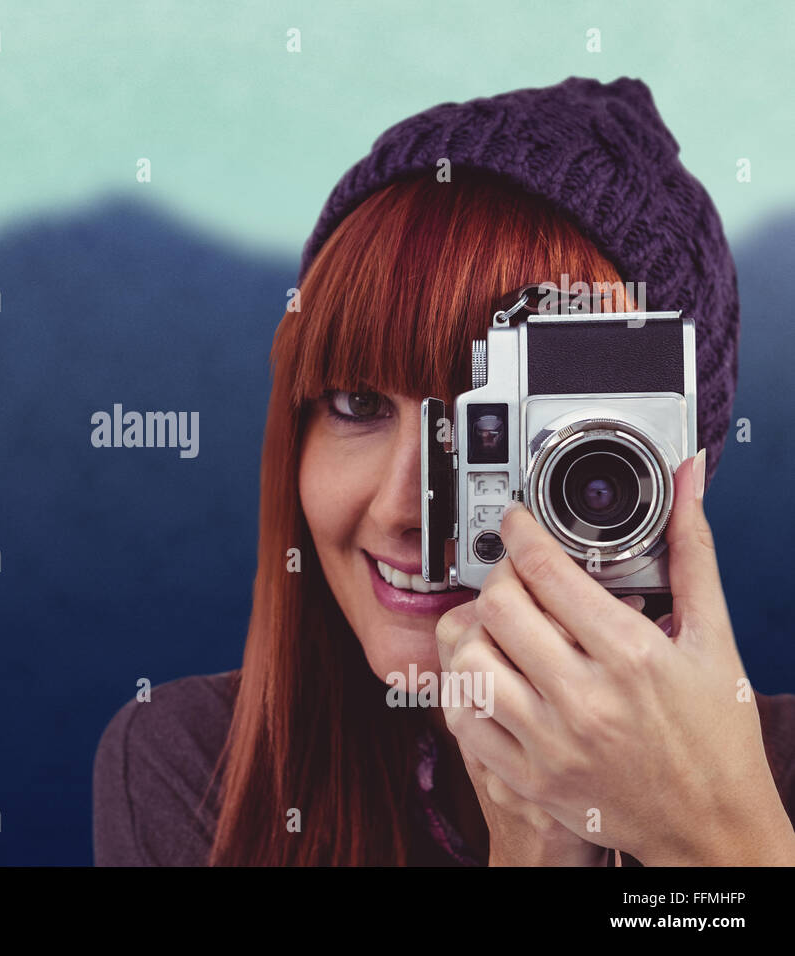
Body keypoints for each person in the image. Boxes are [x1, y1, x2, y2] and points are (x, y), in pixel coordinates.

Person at [92, 76, 795, 866]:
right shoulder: (200, 772)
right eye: (357, 402)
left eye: (491, 431)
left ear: (663, 473)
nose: (407, 504)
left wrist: (719, 843)